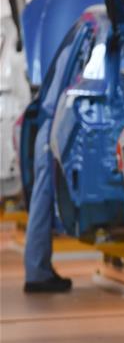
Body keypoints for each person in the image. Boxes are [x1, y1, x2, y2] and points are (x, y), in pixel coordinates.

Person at [23, 117, 72, 293]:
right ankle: (37, 273)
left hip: (49, 127)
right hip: (53, 127)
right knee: (42, 203)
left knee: (41, 201)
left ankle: (40, 269)